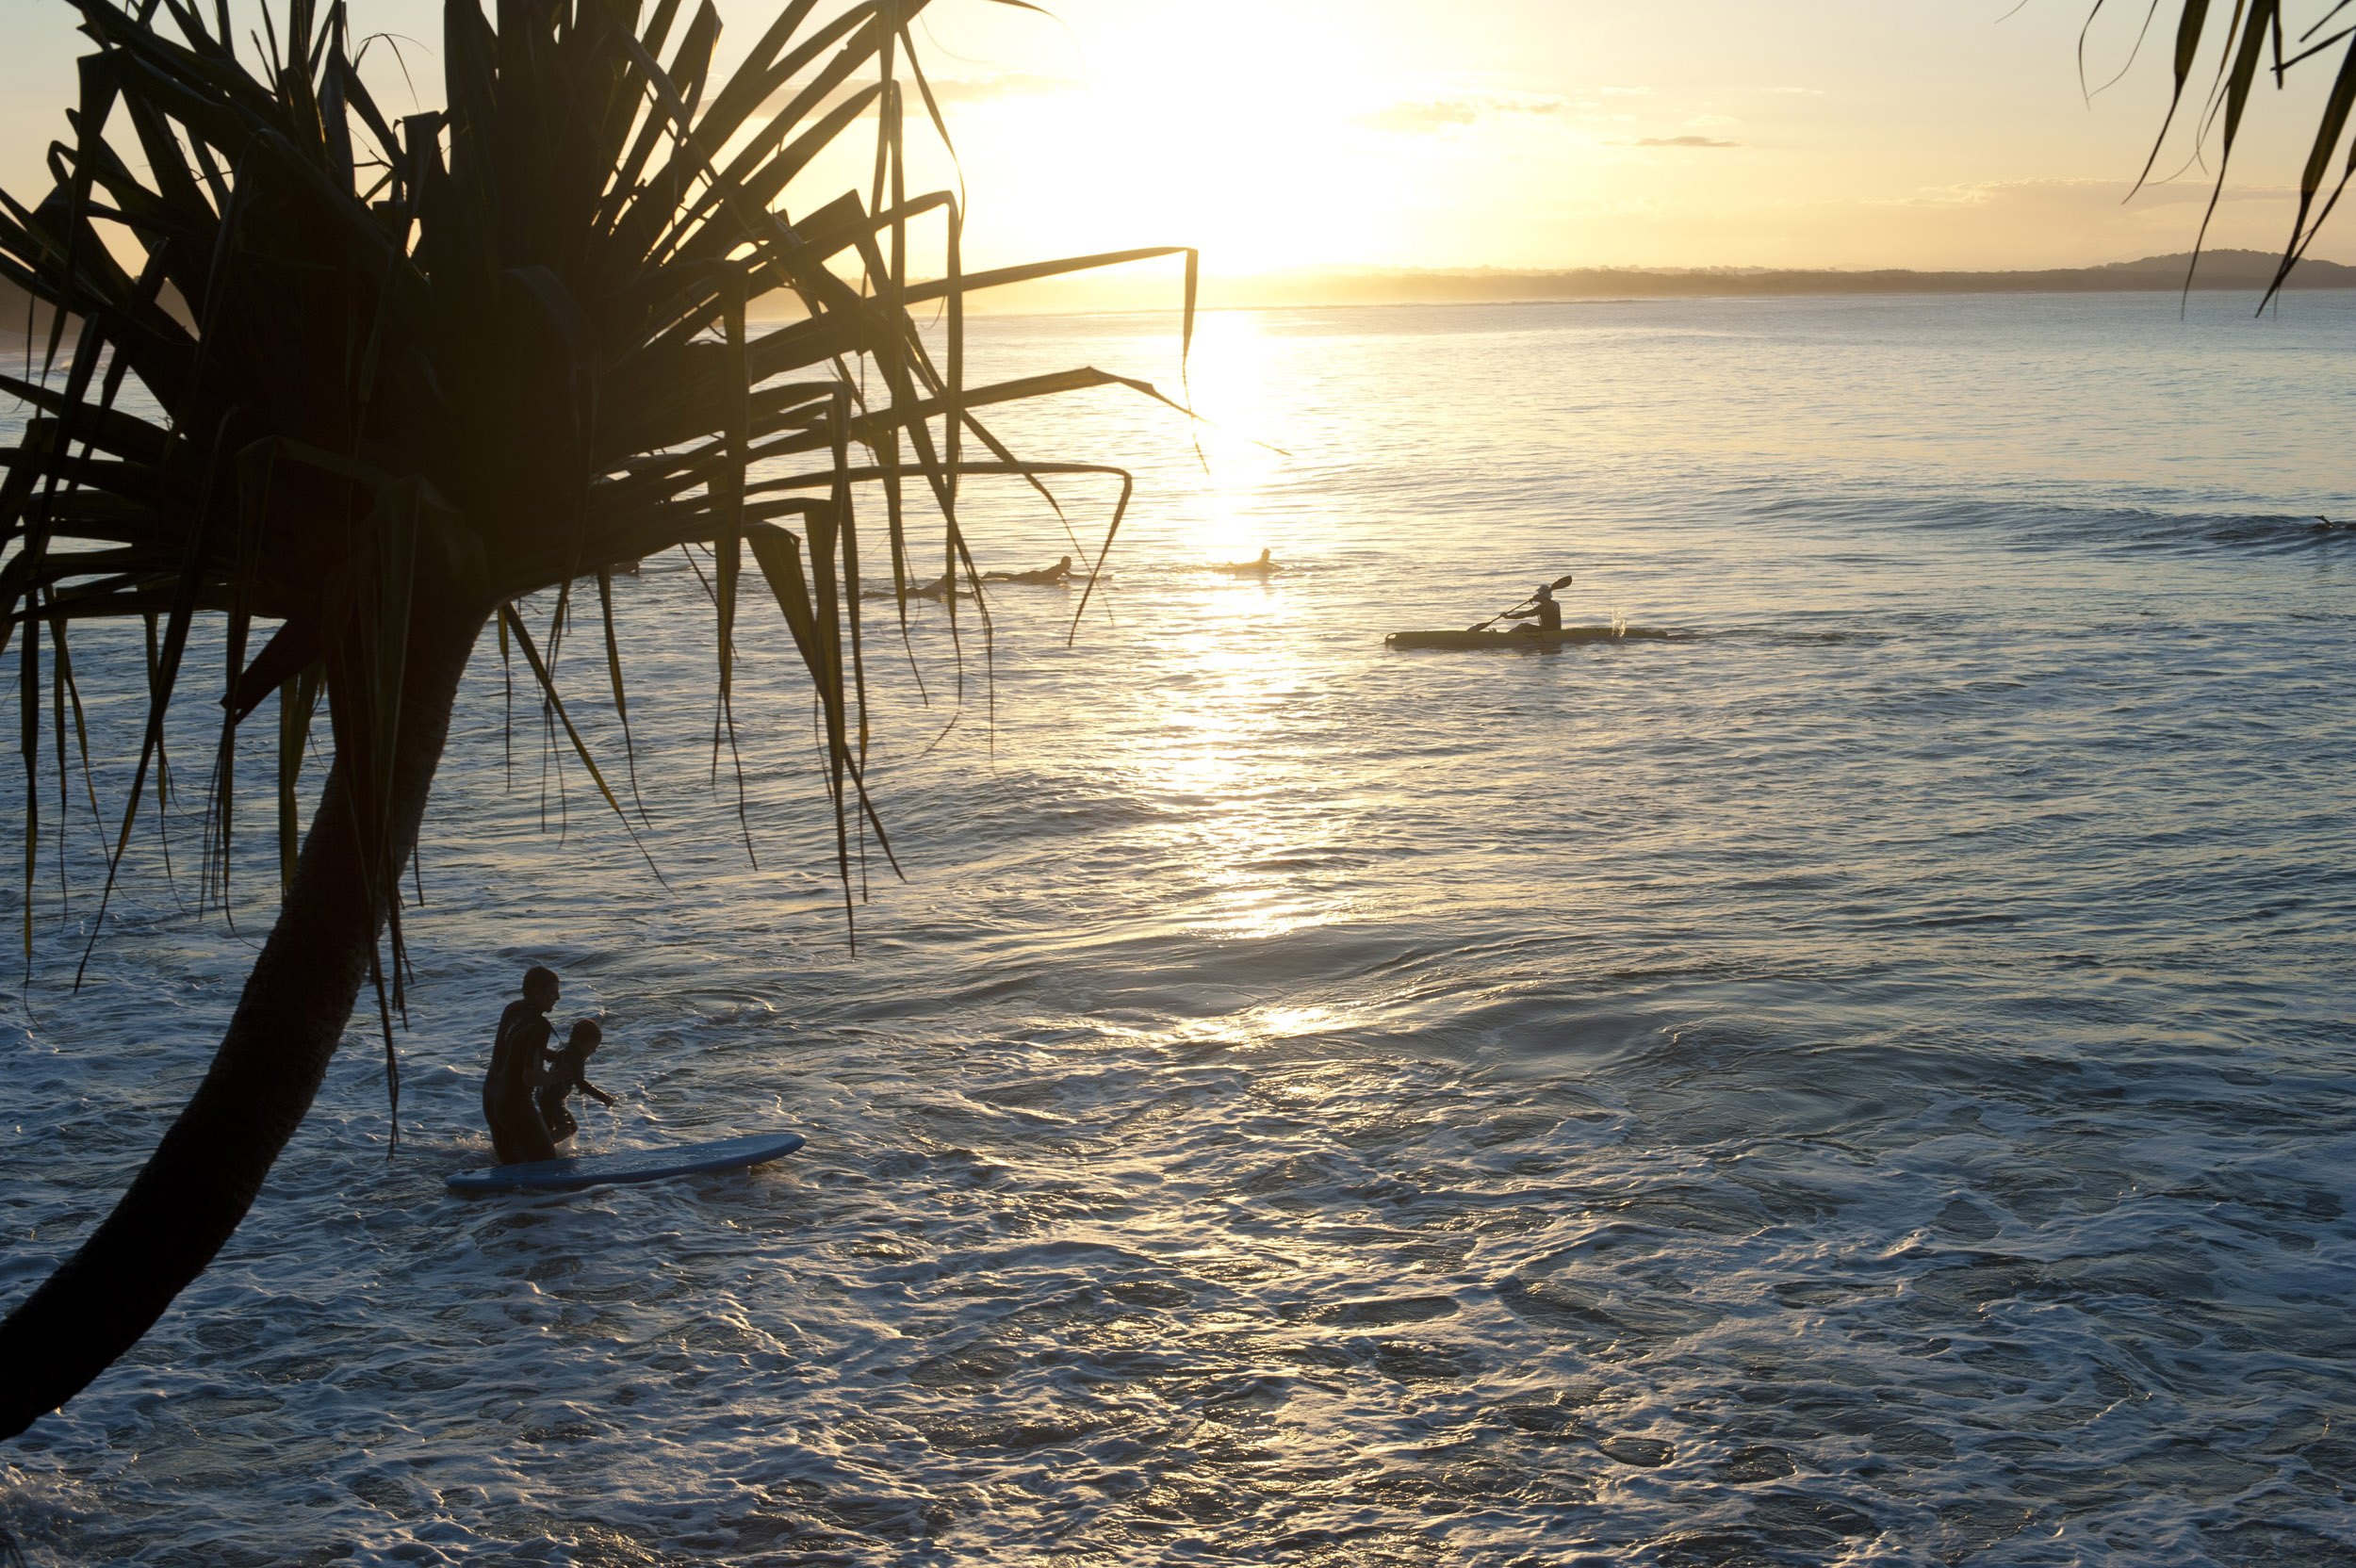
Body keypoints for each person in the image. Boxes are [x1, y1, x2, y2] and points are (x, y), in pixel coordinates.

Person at [483, 966, 561, 1164]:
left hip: (491, 1099)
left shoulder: (513, 1009)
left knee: (511, 1170)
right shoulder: (539, 1026)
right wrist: (561, 1075)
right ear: (536, 992)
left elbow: (511, 1043)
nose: (558, 997)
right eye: (553, 992)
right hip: (514, 1105)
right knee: (545, 1167)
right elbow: (530, 1077)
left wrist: (545, 1053)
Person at [538, 1020, 617, 1143]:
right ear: (579, 1042)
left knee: (547, 1128)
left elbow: (552, 1058)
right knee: (569, 1128)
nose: (594, 1051)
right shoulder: (577, 1057)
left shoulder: (565, 1048)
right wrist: (603, 1097)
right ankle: (542, 1147)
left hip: (543, 1094)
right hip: (553, 1099)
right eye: (592, 1047)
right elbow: (581, 1083)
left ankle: (538, 1146)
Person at [984, 555, 1074, 585]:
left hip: (1035, 575)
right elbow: (1043, 575)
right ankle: (992, 574)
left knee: (1013, 577)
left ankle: (992, 574)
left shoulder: (1062, 569)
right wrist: (1035, 581)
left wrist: (1087, 578)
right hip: (1033, 575)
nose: (1071, 564)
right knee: (1013, 577)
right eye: (1069, 562)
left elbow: (1072, 576)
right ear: (1064, 563)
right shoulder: (1058, 568)